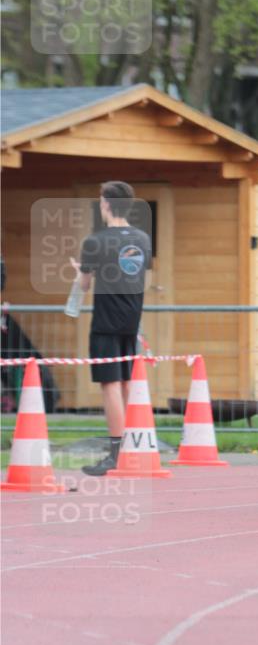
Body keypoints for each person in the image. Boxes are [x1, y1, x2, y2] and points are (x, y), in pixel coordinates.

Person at [70, 181, 152, 475]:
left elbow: (86, 284)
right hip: (132, 319)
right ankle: (134, 447)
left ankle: (116, 453)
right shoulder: (142, 238)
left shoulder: (96, 241)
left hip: (106, 321)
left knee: (111, 386)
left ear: (105, 203)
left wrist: (81, 272)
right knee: (128, 382)